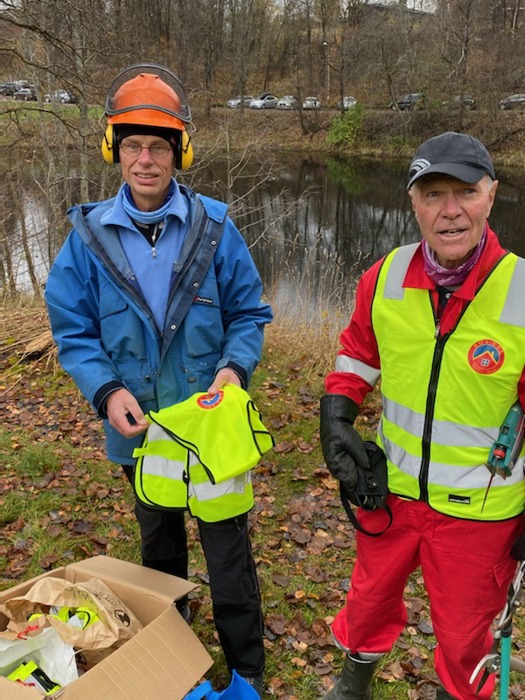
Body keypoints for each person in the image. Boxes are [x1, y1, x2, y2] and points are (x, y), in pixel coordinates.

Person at [45, 62, 272, 697]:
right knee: (161, 548)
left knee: (228, 552)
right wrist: (106, 390)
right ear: (114, 151)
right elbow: (74, 331)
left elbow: (249, 314)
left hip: (211, 425)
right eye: (133, 146)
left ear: (180, 153)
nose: (145, 160)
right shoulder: (86, 239)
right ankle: (174, 652)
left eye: (159, 147)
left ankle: (247, 666)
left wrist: (233, 369)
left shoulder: (215, 229)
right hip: (140, 429)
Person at [319, 131, 525, 700]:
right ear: (413, 202)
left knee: (464, 635)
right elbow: (357, 355)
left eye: (466, 192)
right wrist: (337, 415)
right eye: (434, 194)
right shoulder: (384, 276)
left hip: (480, 514)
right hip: (390, 490)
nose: (450, 211)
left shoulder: (523, 291)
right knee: (367, 602)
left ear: (491, 195)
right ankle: (353, 686)